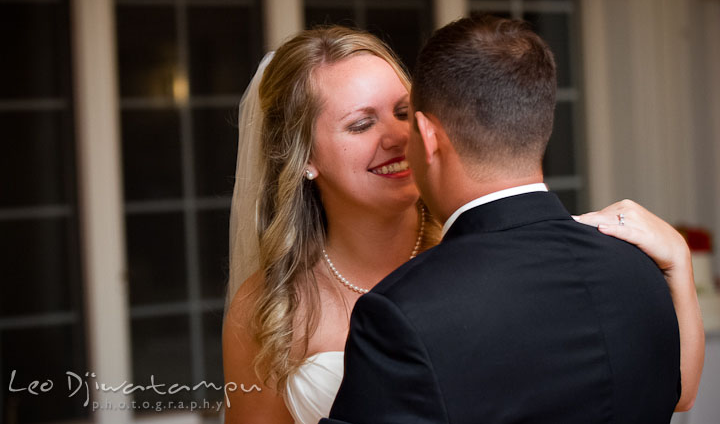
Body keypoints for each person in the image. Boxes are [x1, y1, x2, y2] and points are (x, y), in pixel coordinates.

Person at [223, 25, 702, 424]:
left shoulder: (494, 255)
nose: (396, 136)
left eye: (404, 112)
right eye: (360, 124)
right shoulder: (269, 309)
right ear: (303, 157)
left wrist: (678, 258)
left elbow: (658, 386)